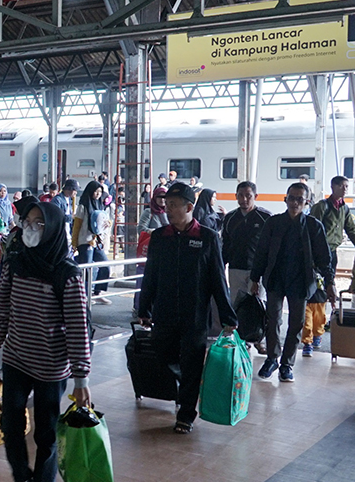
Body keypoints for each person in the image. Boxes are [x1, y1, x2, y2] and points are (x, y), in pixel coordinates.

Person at [0, 200, 91, 482]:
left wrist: (81, 378)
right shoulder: (16, 263)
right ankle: (22, 479)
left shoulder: (66, 273)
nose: (30, 228)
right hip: (16, 358)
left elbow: (78, 327)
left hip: (51, 367)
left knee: (46, 431)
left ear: (53, 229)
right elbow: (2, 309)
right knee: (10, 423)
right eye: (27, 222)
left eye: (38, 223)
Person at [138, 182, 237, 434]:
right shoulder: (160, 237)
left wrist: (228, 316)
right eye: (166, 205)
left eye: (173, 205)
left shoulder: (207, 237)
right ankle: (182, 388)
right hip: (164, 312)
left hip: (195, 315)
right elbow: (150, 275)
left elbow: (218, 279)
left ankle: (186, 413)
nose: (168, 210)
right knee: (165, 356)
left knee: (192, 364)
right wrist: (144, 308)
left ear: (189, 207)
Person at [250, 182, 335, 383]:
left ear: (307, 202)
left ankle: (287, 365)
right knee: (273, 320)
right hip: (275, 278)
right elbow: (261, 252)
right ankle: (272, 359)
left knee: (296, 323)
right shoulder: (273, 223)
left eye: (299, 199)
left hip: (301, 281)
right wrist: (255, 278)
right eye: (291, 198)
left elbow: (324, 258)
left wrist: (330, 282)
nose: (295, 202)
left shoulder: (314, 226)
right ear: (285, 199)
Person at [306, 175, 355, 353]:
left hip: (332, 253)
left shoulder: (345, 209)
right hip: (317, 254)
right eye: (342, 186)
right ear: (333, 187)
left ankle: (319, 327)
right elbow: (310, 228)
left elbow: (351, 229)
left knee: (328, 289)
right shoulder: (322, 207)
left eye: (347, 186)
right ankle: (309, 334)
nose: (345, 189)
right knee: (313, 292)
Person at [221, 181, 271, 308]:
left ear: (256, 196)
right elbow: (225, 245)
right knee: (236, 305)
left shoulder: (266, 217)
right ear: (236, 196)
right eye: (240, 195)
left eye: (248, 196)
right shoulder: (230, 218)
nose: (244, 199)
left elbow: (271, 246)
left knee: (258, 306)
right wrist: (222, 265)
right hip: (235, 269)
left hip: (258, 270)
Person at [71, 181, 112, 305]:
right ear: (90, 191)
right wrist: (74, 243)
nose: (98, 194)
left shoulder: (100, 205)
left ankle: (97, 292)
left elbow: (103, 221)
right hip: (85, 242)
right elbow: (76, 226)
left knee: (105, 265)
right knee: (86, 270)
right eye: (96, 191)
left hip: (97, 242)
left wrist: (108, 223)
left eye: (100, 192)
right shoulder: (83, 206)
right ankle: (84, 295)